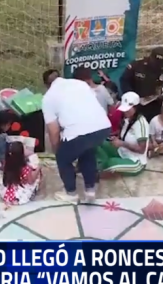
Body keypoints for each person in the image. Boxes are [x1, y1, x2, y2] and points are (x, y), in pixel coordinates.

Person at [41, 68, 111, 203]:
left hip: (79, 131)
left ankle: (71, 193)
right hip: (102, 127)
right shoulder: (80, 84)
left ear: (47, 85)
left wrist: (58, 150)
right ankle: (90, 191)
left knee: (63, 158)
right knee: (87, 152)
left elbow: (53, 131)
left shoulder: (48, 98)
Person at [96, 92, 149, 178]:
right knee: (98, 142)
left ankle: (101, 166)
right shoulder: (127, 118)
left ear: (136, 107)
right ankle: (100, 163)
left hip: (136, 161)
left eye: (128, 109)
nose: (125, 112)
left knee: (111, 163)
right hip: (122, 152)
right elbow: (123, 134)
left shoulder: (141, 124)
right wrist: (114, 137)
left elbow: (141, 149)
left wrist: (122, 143)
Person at [119, 47, 163, 122]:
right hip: (136, 104)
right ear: (151, 58)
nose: (159, 66)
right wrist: (131, 97)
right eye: (157, 63)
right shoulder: (137, 66)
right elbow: (124, 80)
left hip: (154, 105)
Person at [0, 141, 42, 206]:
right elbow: (31, 181)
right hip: (21, 194)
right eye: (24, 149)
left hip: (7, 190)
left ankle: (11, 197)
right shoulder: (25, 168)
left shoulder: (7, 164)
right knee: (37, 177)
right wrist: (38, 168)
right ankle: (17, 199)